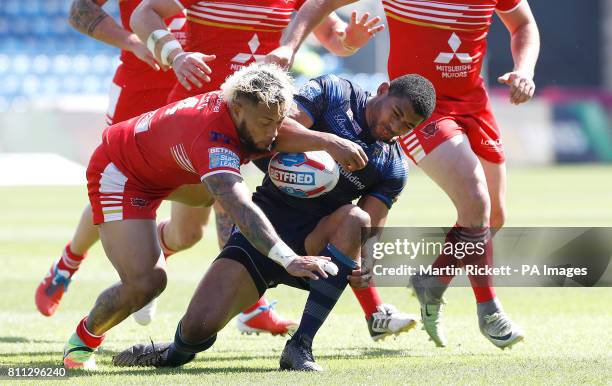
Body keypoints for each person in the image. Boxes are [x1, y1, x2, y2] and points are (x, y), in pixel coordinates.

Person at [127, 0, 415, 340]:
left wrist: (349, 40)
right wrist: (175, 55)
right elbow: (141, 14)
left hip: (255, 126)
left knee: (324, 205)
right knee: (186, 230)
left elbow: (332, 35)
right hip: (200, 116)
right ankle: (116, 272)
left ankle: (361, 310)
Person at [112, 72, 436, 372]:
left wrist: (368, 260)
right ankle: (172, 354)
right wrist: (327, 141)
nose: (395, 127)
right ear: (383, 92)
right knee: (198, 327)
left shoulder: (392, 166)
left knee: (356, 219)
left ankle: (301, 347)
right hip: (263, 227)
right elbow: (274, 134)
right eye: (395, 114)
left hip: (315, 241)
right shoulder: (333, 92)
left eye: (406, 126)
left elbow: (371, 224)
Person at [266, 0, 540, 349]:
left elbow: (523, 25)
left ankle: (432, 282)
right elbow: (320, 3)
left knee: (491, 217)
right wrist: (288, 46)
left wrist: (525, 70)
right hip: (414, 109)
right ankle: (489, 309)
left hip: (473, 101)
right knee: (476, 200)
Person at [62, 63, 371, 370]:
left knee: (189, 233)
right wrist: (288, 259)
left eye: (277, 121)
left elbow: (281, 130)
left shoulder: (247, 112)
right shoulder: (212, 138)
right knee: (147, 282)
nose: (273, 133)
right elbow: (241, 207)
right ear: (237, 109)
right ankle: (81, 343)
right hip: (122, 174)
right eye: (266, 122)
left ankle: (160, 246)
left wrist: (329, 142)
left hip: (172, 170)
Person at [35, 0, 296, 333]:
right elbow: (80, 11)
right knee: (118, 186)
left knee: (191, 228)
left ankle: (236, 298)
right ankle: (68, 263)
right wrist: (135, 42)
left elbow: (306, 14)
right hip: (143, 85)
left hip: (200, 86)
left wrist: (339, 35)